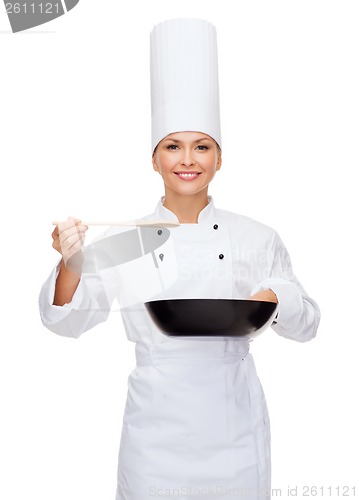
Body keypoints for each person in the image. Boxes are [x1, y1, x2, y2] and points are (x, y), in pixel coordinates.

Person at [39, 18, 320, 500]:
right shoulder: (128, 239)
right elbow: (67, 321)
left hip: (235, 430)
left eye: (201, 146)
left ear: (219, 157)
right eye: (173, 146)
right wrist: (71, 261)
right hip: (155, 438)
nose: (187, 159)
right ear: (154, 158)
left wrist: (278, 298)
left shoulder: (256, 236)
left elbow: (309, 324)